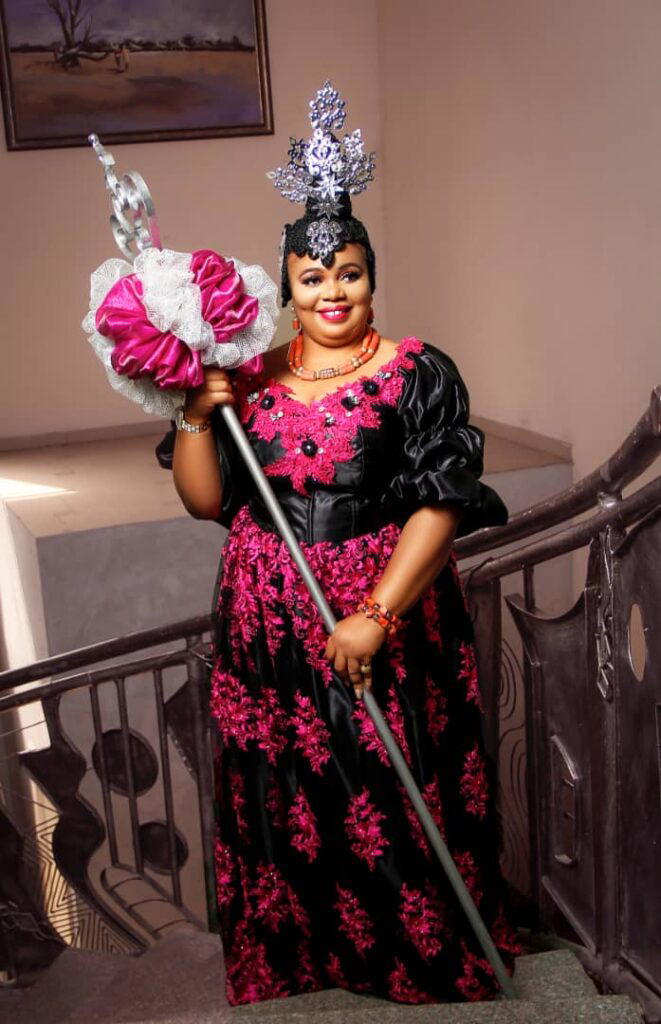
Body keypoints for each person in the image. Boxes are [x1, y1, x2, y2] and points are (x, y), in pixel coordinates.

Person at [165, 83, 523, 1006]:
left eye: (350, 273)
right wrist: (199, 412)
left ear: (372, 276)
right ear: (286, 287)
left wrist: (375, 616)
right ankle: (302, 954)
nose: (332, 292)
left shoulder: (415, 372)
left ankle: (413, 953)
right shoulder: (246, 377)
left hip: (379, 606)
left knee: (383, 780)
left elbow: (439, 507)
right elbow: (206, 501)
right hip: (264, 617)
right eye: (313, 277)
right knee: (283, 784)